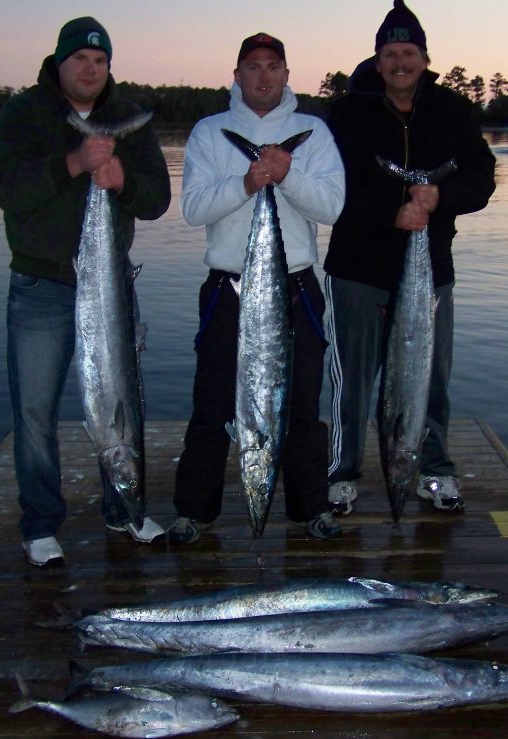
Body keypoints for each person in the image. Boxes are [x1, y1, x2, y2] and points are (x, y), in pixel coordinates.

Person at [0, 17, 171, 566]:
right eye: (80, 60)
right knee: (35, 412)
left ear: (108, 67)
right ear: (60, 62)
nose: (90, 69)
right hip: (40, 284)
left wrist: (120, 179)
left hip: (109, 284)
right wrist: (76, 162)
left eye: (100, 61)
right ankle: (41, 525)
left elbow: (157, 199)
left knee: (120, 401)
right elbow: (8, 190)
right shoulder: (23, 112)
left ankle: (124, 511)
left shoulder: (126, 119)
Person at [169, 32, 346, 544]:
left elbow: (332, 209)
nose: (263, 76)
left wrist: (286, 174)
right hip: (229, 288)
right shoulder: (209, 132)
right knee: (212, 401)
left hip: (297, 289)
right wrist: (248, 182)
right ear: (237, 74)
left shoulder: (312, 130)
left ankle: (309, 507)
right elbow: (193, 210)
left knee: (303, 401)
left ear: (287, 75)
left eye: (273, 66)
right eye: (253, 66)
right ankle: (194, 512)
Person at [323, 0, 496, 516]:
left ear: (424, 58)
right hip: (358, 269)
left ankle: (434, 472)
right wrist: (393, 211)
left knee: (430, 377)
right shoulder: (348, 113)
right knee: (351, 381)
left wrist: (438, 197)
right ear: (377, 61)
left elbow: (482, 177)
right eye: (391, 53)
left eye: (409, 52)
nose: (400, 61)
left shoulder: (452, 110)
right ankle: (343, 473)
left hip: (430, 269)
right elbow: (333, 191)